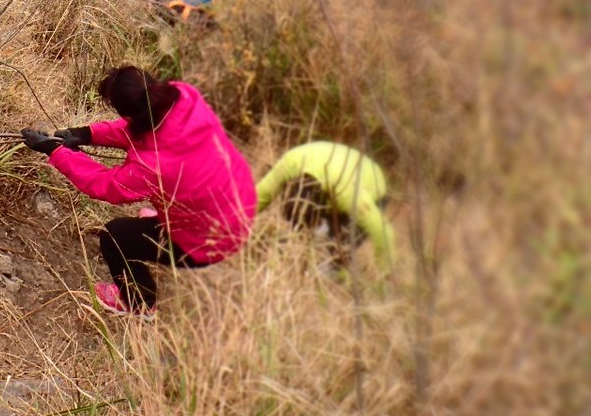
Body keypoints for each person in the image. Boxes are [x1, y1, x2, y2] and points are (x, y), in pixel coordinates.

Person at [22, 65, 256, 316]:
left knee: (115, 237)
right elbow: (144, 131)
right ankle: (166, 224)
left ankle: (139, 303)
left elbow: (106, 185)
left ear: (129, 112)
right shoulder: (184, 95)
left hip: (213, 240)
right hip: (240, 200)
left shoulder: (152, 164)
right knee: (173, 201)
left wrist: (55, 151)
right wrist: (87, 134)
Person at [254, 141, 396, 270]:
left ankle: (338, 276)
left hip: (371, 183)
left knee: (340, 248)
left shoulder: (347, 194)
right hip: (327, 162)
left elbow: (384, 233)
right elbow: (254, 201)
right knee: (318, 239)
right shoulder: (288, 165)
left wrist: (384, 279)